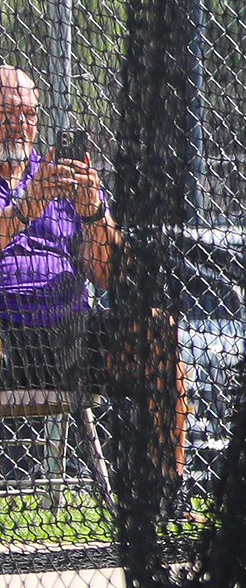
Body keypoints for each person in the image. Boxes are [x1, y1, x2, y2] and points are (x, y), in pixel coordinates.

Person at [0, 64, 189, 486]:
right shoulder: (39, 188)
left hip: (70, 337)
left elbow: (109, 276)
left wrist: (93, 211)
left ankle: (165, 491)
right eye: (7, 113)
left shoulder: (58, 175)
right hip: (6, 338)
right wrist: (27, 208)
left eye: (28, 114)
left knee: (157, 331)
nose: (19, 125)